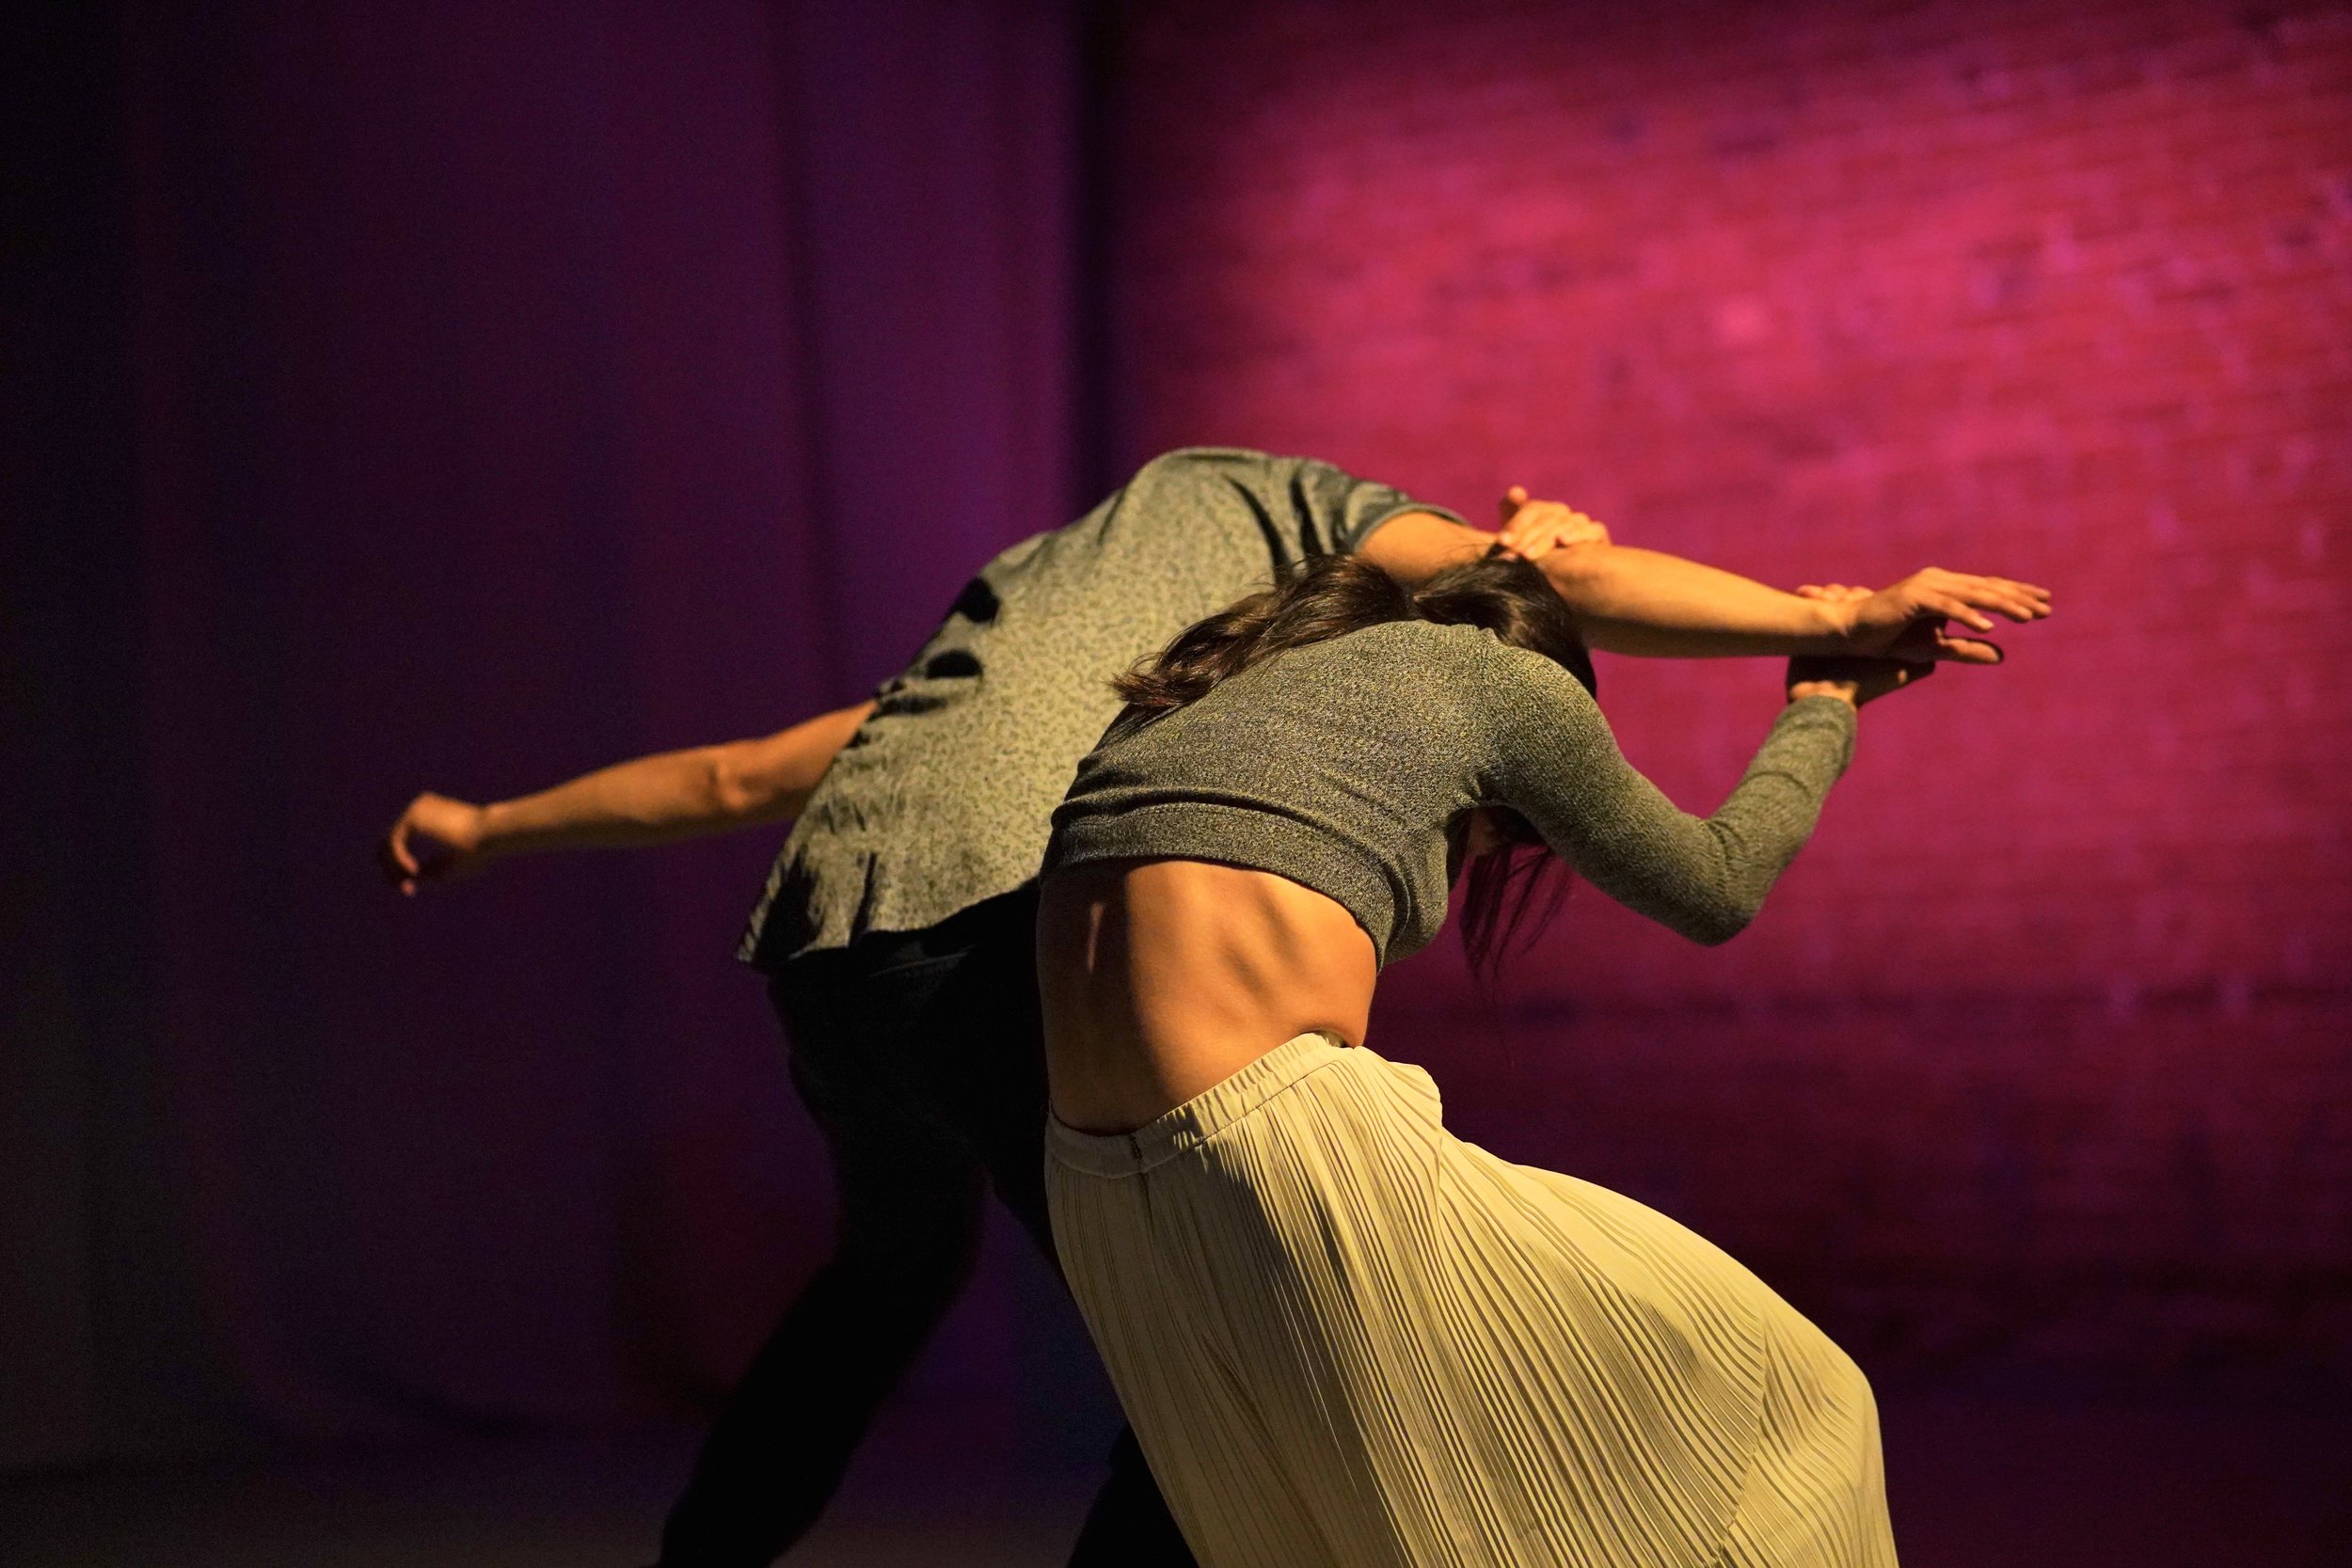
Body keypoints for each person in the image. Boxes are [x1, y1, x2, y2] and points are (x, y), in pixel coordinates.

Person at [380, 448, 2049, 1567]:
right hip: (1011, 953)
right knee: (1217, 1391)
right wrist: (1828, 629)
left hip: (836, 961)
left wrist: (490, 825)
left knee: (893, 1284)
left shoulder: (1051, 635)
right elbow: (1549, 615)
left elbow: (752, 770)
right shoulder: (1284, 517)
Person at [1036, 549, 2045, 1568]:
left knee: (1320, 1534)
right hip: (1284, 1141)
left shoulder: (1185, 697)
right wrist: (1824, 702)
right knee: (1795, 1395)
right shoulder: (1491, 676)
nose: (1480, 851)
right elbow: (1717, 885)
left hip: (1093, 1196)